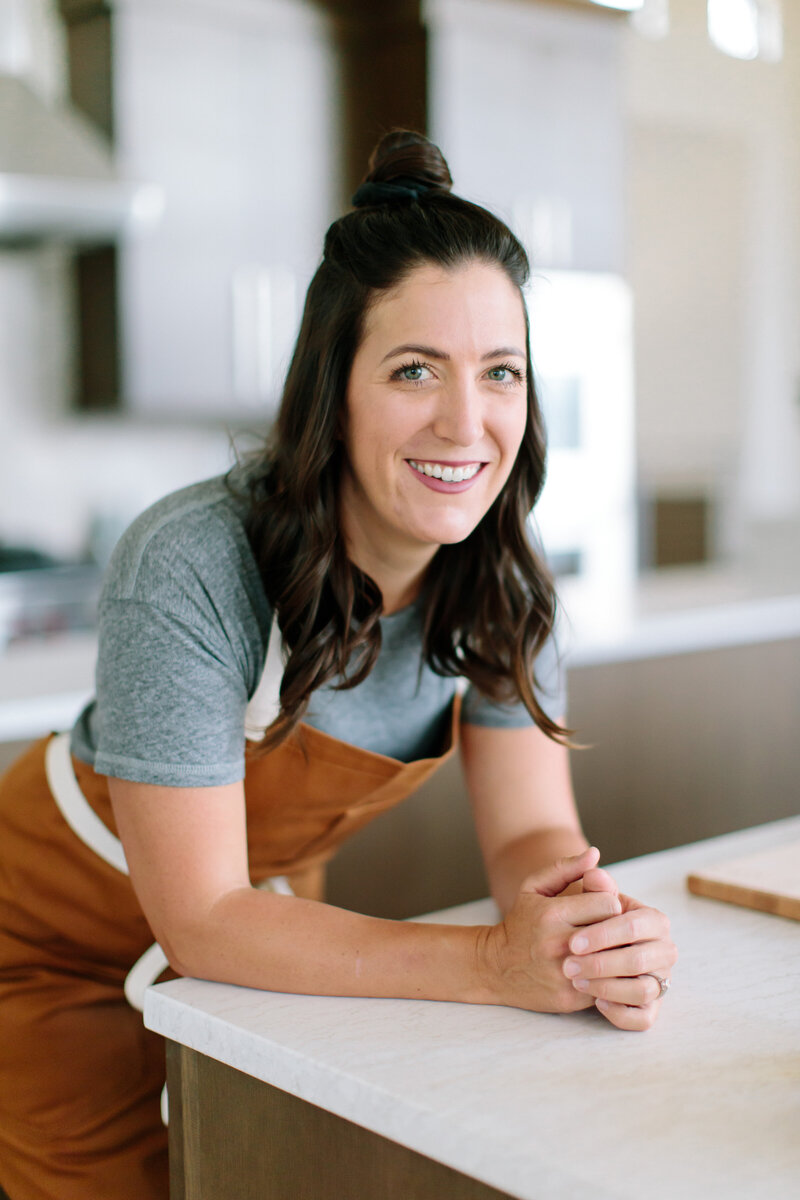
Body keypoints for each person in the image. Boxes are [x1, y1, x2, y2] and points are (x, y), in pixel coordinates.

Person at [0, 130, 676, 1200]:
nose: (467, 421)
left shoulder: (499, 575)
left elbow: (528, 830)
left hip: (270, 942)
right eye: (415, 370)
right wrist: (489, 967)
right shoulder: (192, 560)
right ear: (335, 388)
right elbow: (202, 914)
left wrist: (579, 929)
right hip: (49, 950)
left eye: (499, 372)